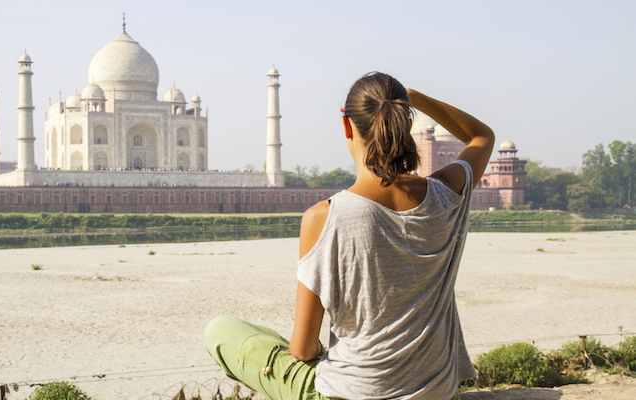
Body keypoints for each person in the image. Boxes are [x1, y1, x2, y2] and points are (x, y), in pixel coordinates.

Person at [205, 72, 495, 400]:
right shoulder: (447, 193)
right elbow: (482, 136)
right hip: (439, 393)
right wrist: (417, 98)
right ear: (404, 121)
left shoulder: (324, 217)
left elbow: (302, 349)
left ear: (347, 125)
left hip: (350, 394)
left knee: (221, 330)